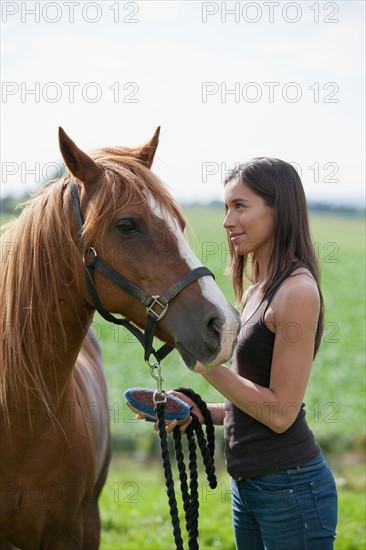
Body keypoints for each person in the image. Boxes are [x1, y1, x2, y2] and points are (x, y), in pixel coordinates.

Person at [164, 157, 338, 549]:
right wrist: (199, 411)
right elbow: (253, 401)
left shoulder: (297, 291)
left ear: (280, 210)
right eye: (226, 207)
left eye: (240, 206)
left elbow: (280, 414)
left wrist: (205, 362)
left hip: (291, 489)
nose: (227, 221)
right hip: (251, 488)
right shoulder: (259, 287)